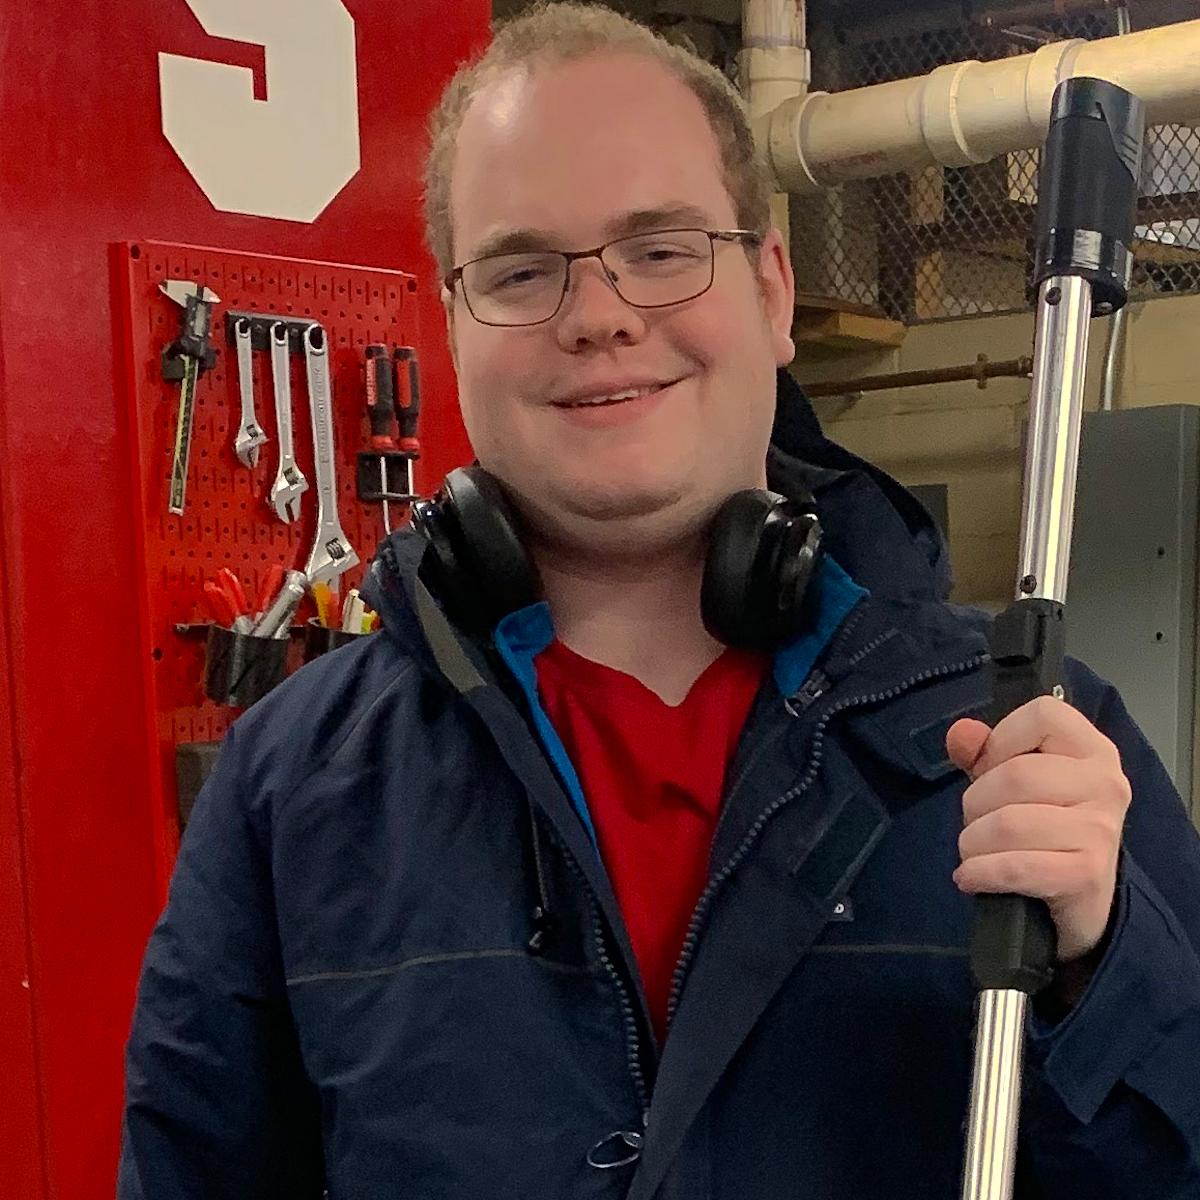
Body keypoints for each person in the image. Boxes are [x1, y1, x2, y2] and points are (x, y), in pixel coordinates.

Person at [118, 4, 1200, 1197]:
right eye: (521, 270)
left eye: (663, 248)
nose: (599, 317)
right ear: (454, 325)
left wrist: (1106, 964)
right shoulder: (290, 791)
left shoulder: (1035, 744)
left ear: (773, 290)